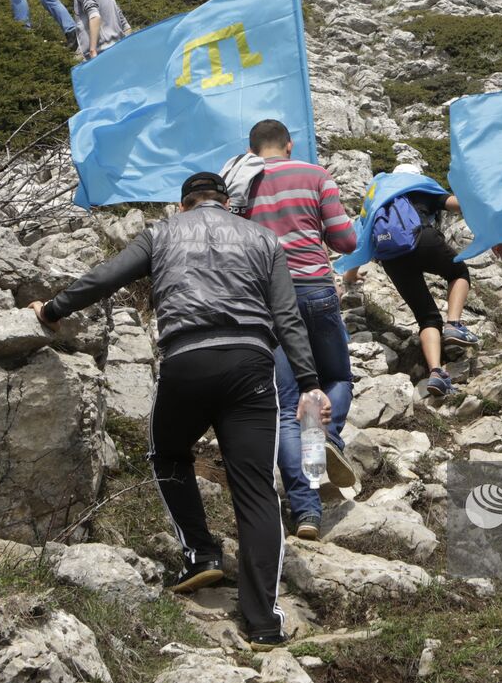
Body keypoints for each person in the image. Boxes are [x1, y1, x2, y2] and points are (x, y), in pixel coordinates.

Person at [29, 171, 330, 651]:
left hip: (186, 361)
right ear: (227, 203)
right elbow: (287, 315)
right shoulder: (263, 238)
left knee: (167, 451)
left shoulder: (162, 232)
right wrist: (310, 383)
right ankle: (264, 624)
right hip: (251, 365)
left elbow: (106, 276)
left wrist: (53, 309)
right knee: (256, 489)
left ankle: (201, 552)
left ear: (183, 203)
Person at [229, 120, 360, 541]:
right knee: (336, 378)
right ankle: (327, 437)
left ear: (252, 149)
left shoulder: (240, 184)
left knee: (288, 405)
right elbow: (346, 242)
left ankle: (306, 512)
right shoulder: (316, 175)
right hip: (314, 291)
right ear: (289, 145)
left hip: (266, 301)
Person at [342, 165, 483, 398]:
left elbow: (361, 241)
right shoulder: (419, 187)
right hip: (422, 240)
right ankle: (454, 324)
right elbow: (456, 205)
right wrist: (483, 203)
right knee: (458, 273)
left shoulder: (377, 198)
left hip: (391, 257)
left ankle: (436, 373)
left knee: (426, 316)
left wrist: (350, 276)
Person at [61, 0, 130, 60]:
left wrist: (92, 50)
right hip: (117, 49)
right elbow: (126, 26)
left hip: (101, 53)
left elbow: (94, 16)